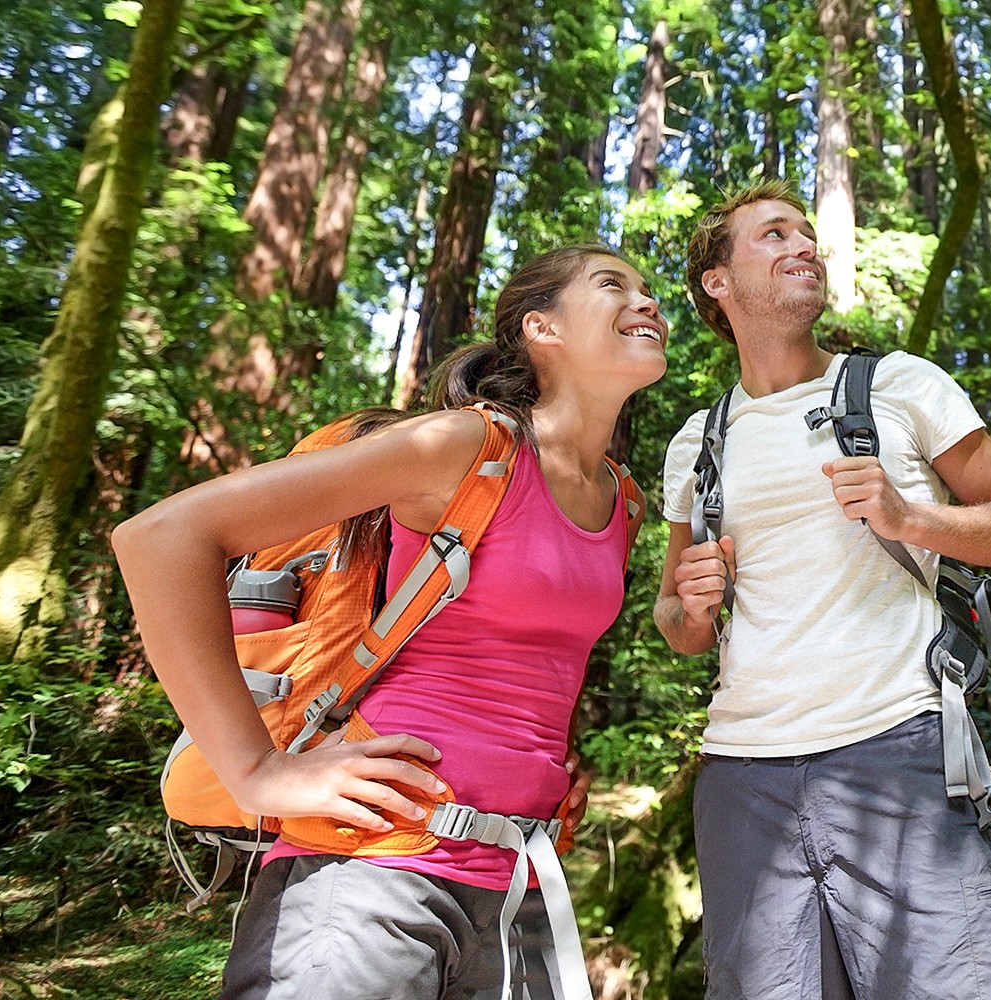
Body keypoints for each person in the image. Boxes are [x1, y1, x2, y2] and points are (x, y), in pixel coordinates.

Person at [113, 244, 669, 1000]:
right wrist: (258, 772)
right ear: (544, 329)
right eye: (614, 286)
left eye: (647, 290)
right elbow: (162, 537)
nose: (647, 302)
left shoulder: (623, 500)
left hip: (519, 887)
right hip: (370, 875)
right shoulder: (468, 446)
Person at [654, 180, 991, 999]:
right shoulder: (699, 441)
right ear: (717, 284)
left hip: (897, 750)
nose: (804, 245)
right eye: (772, 236)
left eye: (806, 234)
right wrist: (691, 606)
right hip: (741, 780)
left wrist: (911, 518)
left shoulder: (900, 385)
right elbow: (678, 622)